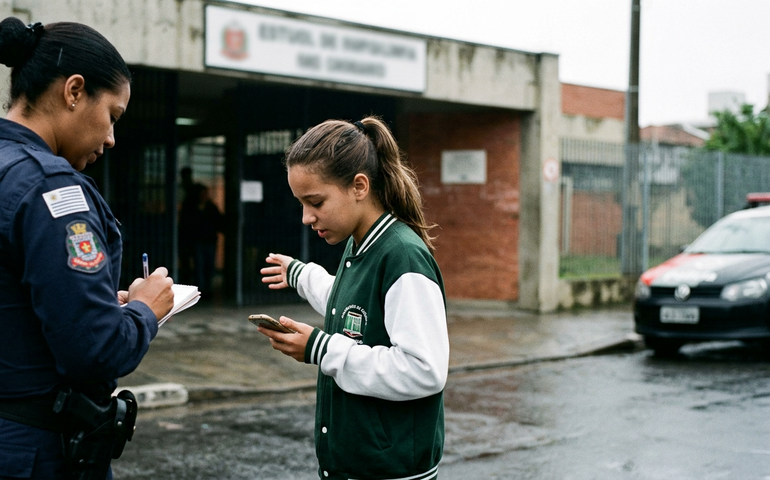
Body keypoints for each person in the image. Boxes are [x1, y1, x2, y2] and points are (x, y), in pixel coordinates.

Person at [0, 17, 174, 479]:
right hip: (34, 451)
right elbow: (94, 349)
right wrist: (144, 311)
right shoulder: (50, 186)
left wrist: (92, 302)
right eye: (112, 116)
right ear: (74, 91)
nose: (112, 138)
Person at [260, 116, 449, 480]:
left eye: (315, 201)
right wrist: (301, 275)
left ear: (359, 186)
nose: (306, 217)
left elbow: (425, 371)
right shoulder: (359, 243)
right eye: (301, 203)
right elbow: (355, 307)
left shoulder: (402, 256)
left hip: (389, 473)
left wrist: (322, 349)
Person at [178, 182, 223, 297]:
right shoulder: (191, 207)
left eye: (206, 193)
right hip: (198, 241)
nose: (204, 195)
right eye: (202, 193)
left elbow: (218, 221)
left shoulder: (211, 207)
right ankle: (201, 291)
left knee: (209, 266)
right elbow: (186, 224)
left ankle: (207, 289)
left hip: (210, 241)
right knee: (199, 266)